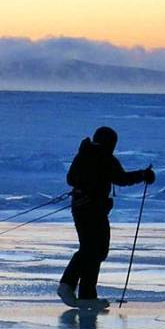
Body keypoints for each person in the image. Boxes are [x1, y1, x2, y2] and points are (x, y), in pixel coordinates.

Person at [58, 126, 155, 307]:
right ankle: (69, 286)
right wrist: (143, 175)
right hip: (92, 209)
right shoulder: (104, 156)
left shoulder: (84, 153)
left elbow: (71, 179)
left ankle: (85, 294)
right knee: (94, 249)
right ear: (110, 143)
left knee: (93, 249)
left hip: (81, 207)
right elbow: (121, 178)